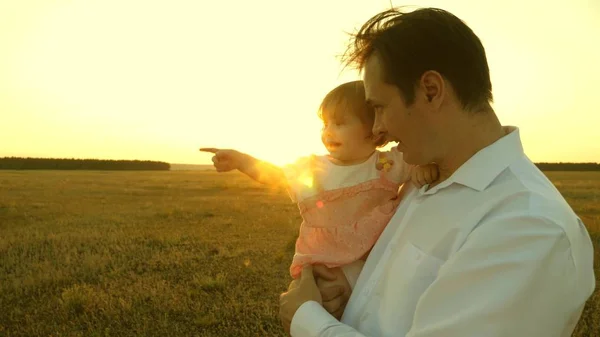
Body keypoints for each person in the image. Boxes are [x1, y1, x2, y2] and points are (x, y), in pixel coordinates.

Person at [279, 7, 596, 337]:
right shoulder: (423, 179)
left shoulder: (530, 229)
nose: (376, 130)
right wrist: (351, 291)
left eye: (379, 108)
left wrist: (306, 319)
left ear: (430, 90)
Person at [200, 80, 438, 290]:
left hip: (373, 264)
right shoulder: (313, 169)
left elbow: (420, 157)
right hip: (323, 263)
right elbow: (275, 176)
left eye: (340, 123)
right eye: (325, 124)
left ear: (375, 131)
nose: (328, 132)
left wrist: (426, 166)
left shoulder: (387, 164)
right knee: (321, 308)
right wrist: (241, 160)